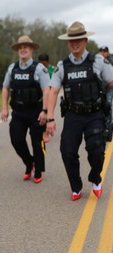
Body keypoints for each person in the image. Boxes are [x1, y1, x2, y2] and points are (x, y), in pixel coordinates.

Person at [46, 21, 113, 201]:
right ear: (68, 43)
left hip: (95, 114)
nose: (75, 43)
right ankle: (76, 186)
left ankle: (96, 178)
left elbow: (112, 82)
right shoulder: (63, 65)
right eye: (71, 40)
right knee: (67, 151)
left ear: (85, 40)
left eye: (78, 39)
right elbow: (53, 91)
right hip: (73, 115)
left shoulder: (98, 61)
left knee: (96, 150)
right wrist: (50, 118)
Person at [1, 35, 50, 184]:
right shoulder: (12, 68)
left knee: (37, 142)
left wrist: (45, 111)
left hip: (36, 111)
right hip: (19, 112)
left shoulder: (39, 68)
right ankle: (29, 163)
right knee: (16, 139)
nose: (23, 49)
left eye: (26, 47)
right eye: (20, 47)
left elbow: (46, 90)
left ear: (31, 50)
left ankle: (38, 170)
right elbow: (5, 88)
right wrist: (4, 108)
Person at [38, 53, 55, 143]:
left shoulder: (52, 70)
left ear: (48, 62)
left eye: (44, 64)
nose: (43, 66)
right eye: (41, 64)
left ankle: (45, 133)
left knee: (47, 113)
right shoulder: (38, 69)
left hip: (50, 94)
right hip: (40, 96)